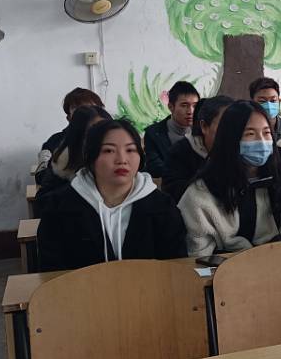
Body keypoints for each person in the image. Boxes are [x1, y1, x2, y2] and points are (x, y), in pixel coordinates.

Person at [37, 119, 187, 271]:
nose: (122, 160)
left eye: (130, 150)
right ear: (90, 157)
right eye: (109, 151)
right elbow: (51, 271)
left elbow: (176, 268)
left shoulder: (162, 206)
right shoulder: (59, 207)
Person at [178, 100, 281, 256]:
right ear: (230, 139)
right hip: (225, 269)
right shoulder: (202, 191)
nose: (261, 141)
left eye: (266, 133)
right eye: (250, 134)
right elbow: (199, 256)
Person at [34, 105, 112, 212]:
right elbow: (43, 203)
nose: (102, 135)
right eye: (95, 129)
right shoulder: (64, 163)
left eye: (107, 129)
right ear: (79, 135)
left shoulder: (119, 160)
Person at [162, 95, 233, 203]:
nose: (231, 132)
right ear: (204, 126)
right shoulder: (179, 152)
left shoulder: (241, 150)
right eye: (224, 125)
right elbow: (173, 195)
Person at [35, 87, 104, 177]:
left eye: (90, 108)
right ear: (69, 117)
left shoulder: (110, 138)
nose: (85, 114)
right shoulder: (54, 142)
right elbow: (41, 177)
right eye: (78, 110)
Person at [143, 80, 200, 179]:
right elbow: (155, 168)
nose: (191, 111)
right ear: (171, 107)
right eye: (184, 105)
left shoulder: (203, 131)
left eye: (195, 106)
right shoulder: (153, 133)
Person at [248, 76, 281, 142]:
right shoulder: (245, 129)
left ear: (279, 102)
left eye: (273, 100)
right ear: (252, 103)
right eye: (262, 101)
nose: (268, 105)